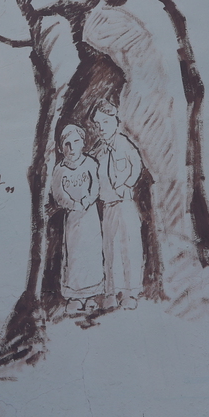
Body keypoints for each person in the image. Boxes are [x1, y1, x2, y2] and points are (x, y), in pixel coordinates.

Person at [90, 101, 144, 309]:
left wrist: (127, 184)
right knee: (109, 249)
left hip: (125, 204)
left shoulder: (125, 145)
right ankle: (111, 291)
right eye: (97, 123)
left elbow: (137, 166)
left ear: (116, 121)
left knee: (128, 247)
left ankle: (130, 292)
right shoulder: (98, 150)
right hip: (108, 206)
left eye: (105, 122)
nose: (101, 127)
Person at [50, 124, 104, 312]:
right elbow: (58, 194)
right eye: (67, 144)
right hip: (73, 219)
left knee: (92, 252)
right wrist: (74, 204)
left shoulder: (90, 163)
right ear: (60, 147)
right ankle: (75, 296)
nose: (71, 148)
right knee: (74, 255)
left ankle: (91, 295)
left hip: (90, 217)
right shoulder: (59, 170)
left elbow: (96, 186)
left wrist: (87, 201)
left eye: (75, 142)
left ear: (83, 143)